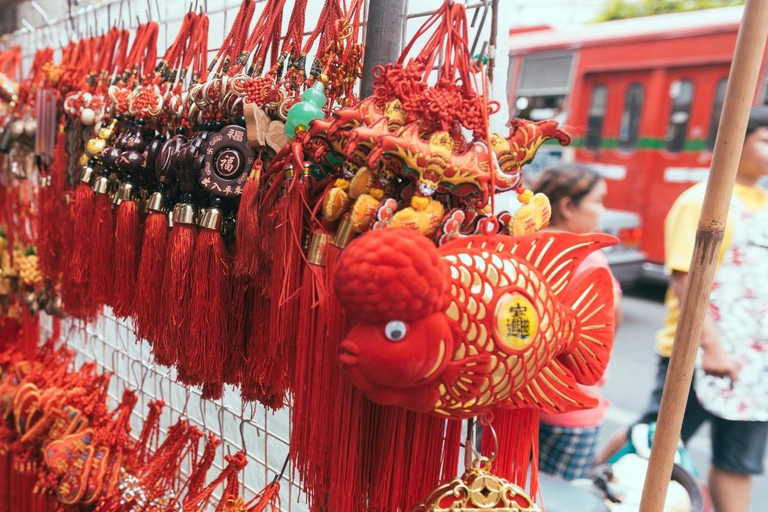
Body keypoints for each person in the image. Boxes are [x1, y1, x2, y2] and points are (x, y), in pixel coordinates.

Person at [598, 105, 768, 512]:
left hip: (754, 362)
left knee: (737, 460)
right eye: (765, 140)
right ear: (734, 142)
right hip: (699, 354)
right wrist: (711, 347)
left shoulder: (763, 201)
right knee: (652, 439)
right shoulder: (702, 200)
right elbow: (685, 279)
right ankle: (593, 482)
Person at [530, 163, 624, 480]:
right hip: (571, 408)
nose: (602, 210)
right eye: (598, 201)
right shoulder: (585, 255)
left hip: (520, 400)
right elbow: (609, 324)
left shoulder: (522, 245)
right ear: (568, 206)